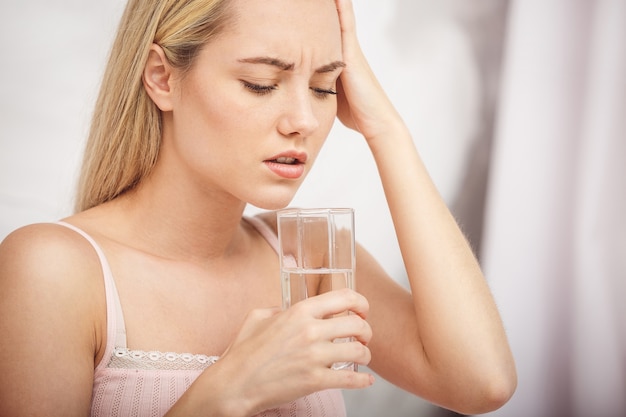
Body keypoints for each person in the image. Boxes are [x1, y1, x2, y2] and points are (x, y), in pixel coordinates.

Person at [0, 0, 517, 416]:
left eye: (322, 88)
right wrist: (228, 393)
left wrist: (387, 129)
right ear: (162, 77)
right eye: (261, 84)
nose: (304, 121)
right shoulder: (54, 270)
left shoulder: (310, 260)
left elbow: (481, 383)